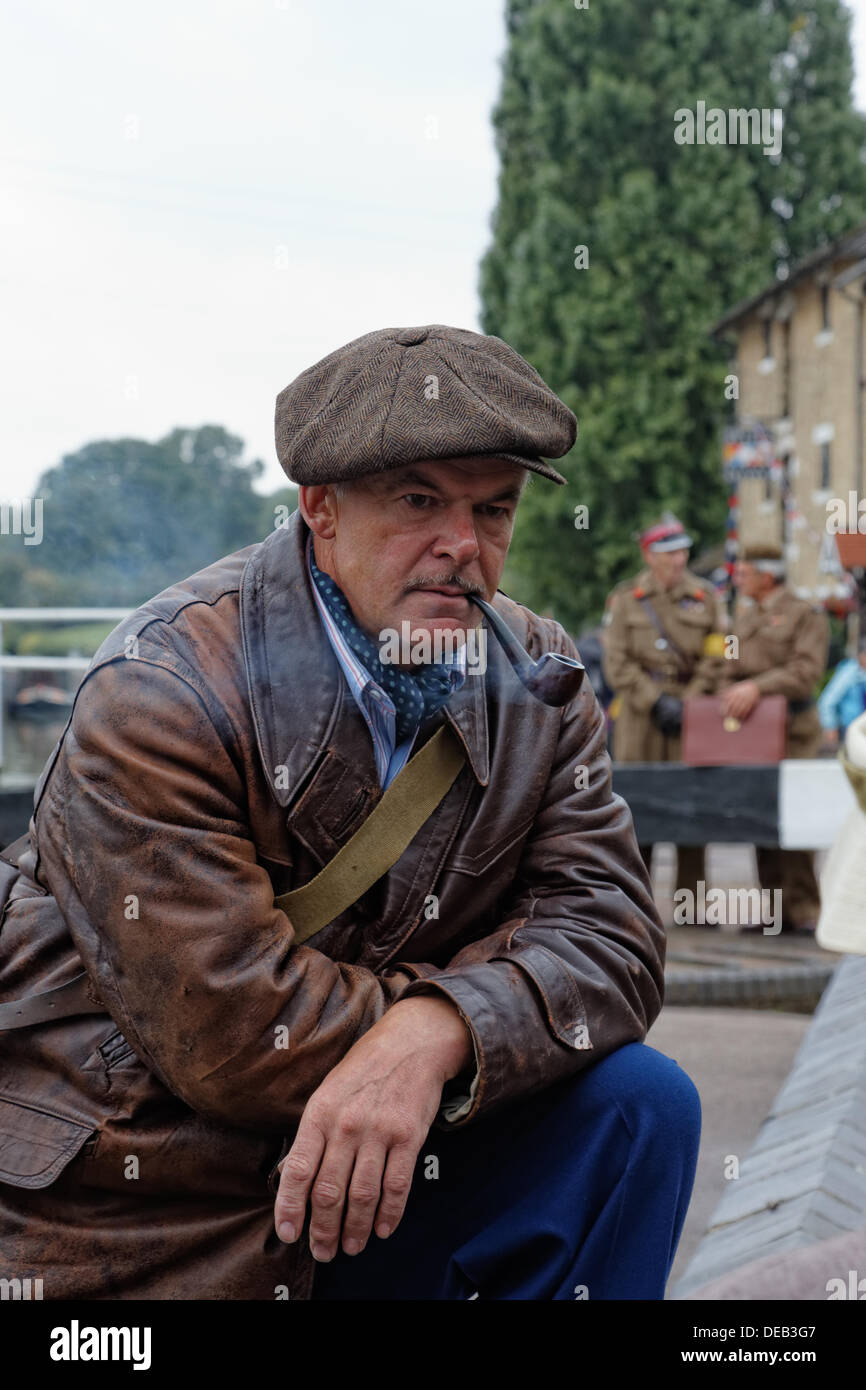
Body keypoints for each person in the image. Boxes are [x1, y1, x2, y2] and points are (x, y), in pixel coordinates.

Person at [0, 324, 700, 1302]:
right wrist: (469, 1000)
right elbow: (235, 1033)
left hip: (393, 1163)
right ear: (319, 511)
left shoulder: (535, 683)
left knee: (638, 1106)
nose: (461, 546)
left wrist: (438, 1028)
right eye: (418, 501)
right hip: (158, 1195)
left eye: (490, 509)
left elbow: (614, 940)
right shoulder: (160, 691)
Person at [601, 513, 726, 902]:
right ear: (649, 556)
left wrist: (690, 702)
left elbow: (719, 652)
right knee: (639, 809)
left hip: (692, 715)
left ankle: (694, 903)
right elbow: (616, 662)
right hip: (642, 718)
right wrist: (655, 702)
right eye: (669, 553)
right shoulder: (626, 600)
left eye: (682, 551)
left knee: (692, 806)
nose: (678, 560)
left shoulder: (708, 598)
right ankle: (636, 905)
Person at [721, 541, 829, 934]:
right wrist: (724, 689)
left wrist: (757, 688)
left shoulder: (805, 616)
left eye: (745, 572)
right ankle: (772, 909)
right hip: (752, 733)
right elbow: (727, 664)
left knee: (796, 817)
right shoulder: (742, 620)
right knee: (760, 816)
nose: (738, 579)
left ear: (767, 577)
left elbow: (806, 672)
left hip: (794, 732)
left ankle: (802, 909)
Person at [817, 635, 866, 745]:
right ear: (861, 655)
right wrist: (830, 726)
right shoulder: (849, 672)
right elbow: (827, 701)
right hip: (852, 729)